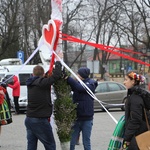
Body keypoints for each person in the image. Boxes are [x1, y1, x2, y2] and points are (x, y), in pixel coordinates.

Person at [24, 53, 62, 150]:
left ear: (33, 74)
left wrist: (48, 74)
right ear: (43, 74)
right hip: (39, 120)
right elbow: (56, 76)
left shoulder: (31, 83)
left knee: (31, 145)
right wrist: (58, 61)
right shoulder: (42, 83)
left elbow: (44, 80)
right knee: (50, 145)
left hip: (29, 118)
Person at [65, 67, 98, 150]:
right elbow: (73, 86)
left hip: (87, 119)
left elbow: (81, 88)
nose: (77, 75)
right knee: (71, 142)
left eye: (78, 74)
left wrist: (69, 78)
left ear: (81, 75)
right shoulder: (77, 83)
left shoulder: (91, 83)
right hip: (76, 118)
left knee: (86, 142)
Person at [122, 70, 148, 150]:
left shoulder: (135, 97)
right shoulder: (139, 94)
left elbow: (135, 120)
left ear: (133, 81)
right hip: (140, 133)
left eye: (126, 80)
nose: (124, 82)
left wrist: (127, 138)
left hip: (136, 137)